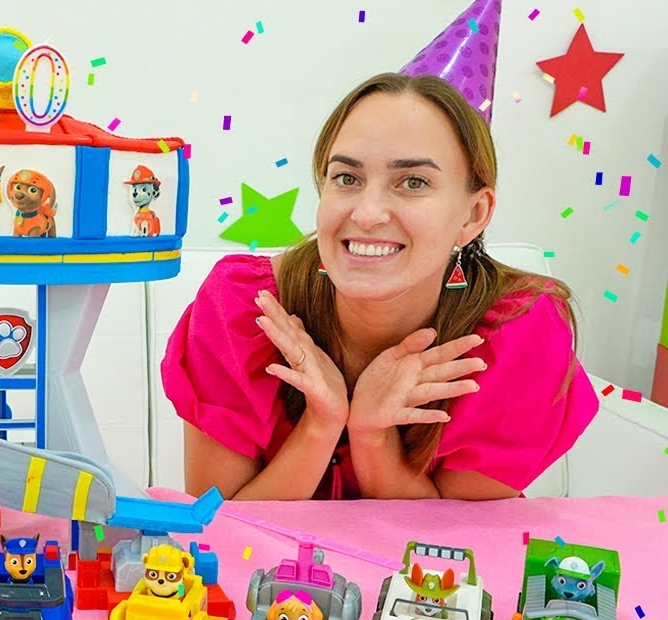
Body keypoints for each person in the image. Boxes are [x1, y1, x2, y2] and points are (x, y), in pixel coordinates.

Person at [162, 72, 598, 501]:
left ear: (473, 215)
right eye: (347, 178)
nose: (367, 214)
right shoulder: (243, 308)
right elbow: (216, 523)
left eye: (413, 182)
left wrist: (372, 436)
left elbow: (461, 536)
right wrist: (320, 424)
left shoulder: (519, 334)